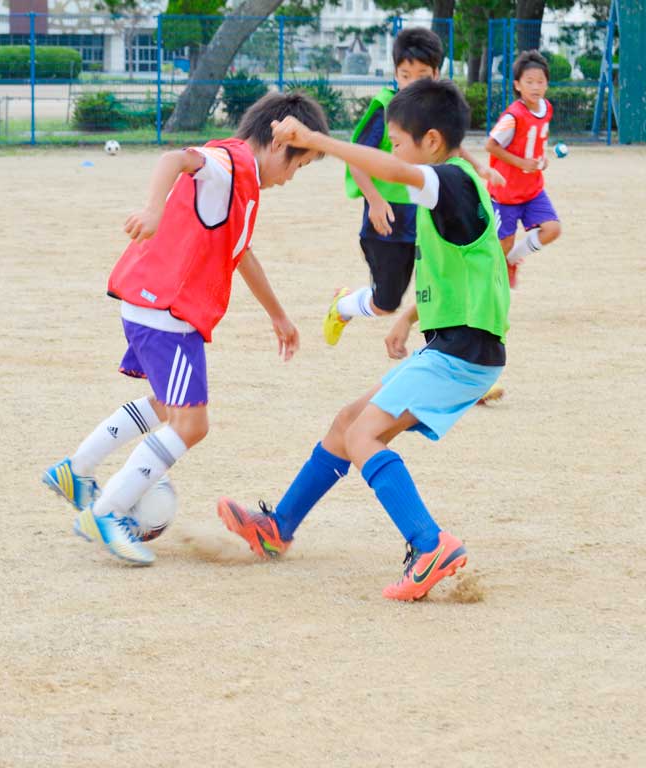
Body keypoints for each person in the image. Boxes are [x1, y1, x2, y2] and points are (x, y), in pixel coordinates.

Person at [217, 79, 510, 601]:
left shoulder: (451, 181)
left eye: (397, 141)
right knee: (346, 423)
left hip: (463, 353)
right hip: (453, 347)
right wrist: (407, 319)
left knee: (363, 438)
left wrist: (318, 140)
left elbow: (393, 171)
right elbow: (465, 274)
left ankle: (430, 545)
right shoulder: (456, 187)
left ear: (433, 143)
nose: (390, 153)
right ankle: (278, 527)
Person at [42, 92, 329, 566]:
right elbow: (175, 158)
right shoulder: (226, 165)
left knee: (165, 404)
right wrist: (153, 210)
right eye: (300, 166)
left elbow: (240, 251)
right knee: (191, 424)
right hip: (166, 314)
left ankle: (77, 470)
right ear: (281, 145)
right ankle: (108, 512)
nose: (293, 178)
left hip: (154, 308)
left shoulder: (244, 182)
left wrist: (277, 314)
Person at [325, 27, 503, 345]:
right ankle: (343, 306)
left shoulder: (435, 108)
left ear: (436, 74)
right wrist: (376, 201)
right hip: (390, 219)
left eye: (422, 75)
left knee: (443, 286)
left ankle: (459, 356)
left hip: (428, 217)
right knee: (386, 303)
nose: (413, 83)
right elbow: (358, 158)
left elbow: (448, 145)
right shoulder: (386, 107)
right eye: (406, 75)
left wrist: (479, 168)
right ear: (395, 73)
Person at [485, 50, 562, 289]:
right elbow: (491, 145)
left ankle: (512, 260)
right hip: (506, 193)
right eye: (529, 82)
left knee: (552, 229)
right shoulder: (513, 116)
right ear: (517, 85)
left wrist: (542, 158)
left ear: (547, 84)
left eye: (540, 81)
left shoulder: (546, 108)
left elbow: (538, 139)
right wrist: (521, 163)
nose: (535, 87)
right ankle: (488, 286)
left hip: (532, 189)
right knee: (502, 243)